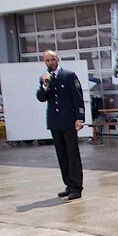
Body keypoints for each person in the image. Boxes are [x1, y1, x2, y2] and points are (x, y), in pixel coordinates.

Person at [35, 50, 85, 200]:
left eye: (52, 59)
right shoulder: (45, 79)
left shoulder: (69, 75)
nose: (50, 63)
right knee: (62, 155)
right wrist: (45, 85)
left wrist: (79, 118)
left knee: (72, 154)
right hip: (54, 121)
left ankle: (76, 186)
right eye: (47, 61)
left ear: (58, 59)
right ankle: (68, 184)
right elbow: (41, 98)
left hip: (68, 120)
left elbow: (78, 98)